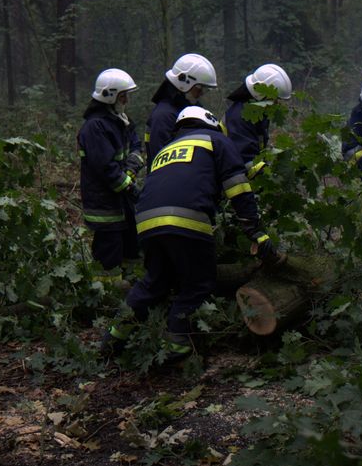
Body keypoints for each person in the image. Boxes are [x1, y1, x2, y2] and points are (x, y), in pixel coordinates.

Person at [103, 106, 281, 360]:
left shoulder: (165, 150)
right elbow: (237, 186)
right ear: (211, 121)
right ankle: (177, 346)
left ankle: (114, 336)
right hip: (187, 219)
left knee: (155, 282)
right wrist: (256, 232)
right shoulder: (217, 140)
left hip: (145, 222)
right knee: (197, 283)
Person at [77, 68, 144, 272]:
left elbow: (135, 146)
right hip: (104, 205)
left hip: (122, 202)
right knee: (109, 255)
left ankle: (130, 288)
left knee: (131, 246)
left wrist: (130, 172)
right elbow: (106, 168)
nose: (126, 101)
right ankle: (107, 296)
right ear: (110, 96)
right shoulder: (95, 127)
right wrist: (129, 187)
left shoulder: (121, 121)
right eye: (124, 96)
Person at [145, 53, 217, 171]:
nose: (201, 94)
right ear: (184, 83)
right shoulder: (163, 116)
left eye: (205, 89)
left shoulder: (192, 109)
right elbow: (161, 163)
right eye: (199, 88)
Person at [222, 63, 292, 179]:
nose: (276, 103)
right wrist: (273, 179)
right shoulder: (240, 116)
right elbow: (246, 160)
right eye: (274, 99)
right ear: (260, 94)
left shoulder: (256, 113)